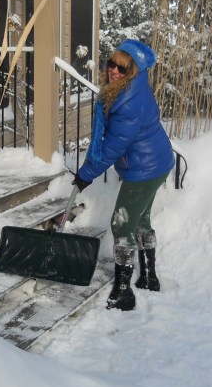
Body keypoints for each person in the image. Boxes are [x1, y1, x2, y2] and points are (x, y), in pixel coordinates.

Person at [72, 39, 174, 311]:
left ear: (133, 72)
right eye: (111, 63)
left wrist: (85, 174)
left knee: (121, 225)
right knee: (141, 220)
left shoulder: (128, 102)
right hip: (156, 163)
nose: (114, 70)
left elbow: (112, 148)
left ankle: (123, 291)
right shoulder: (131, 89)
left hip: (146, 169)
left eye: (122, 68)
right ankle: (149, 277)